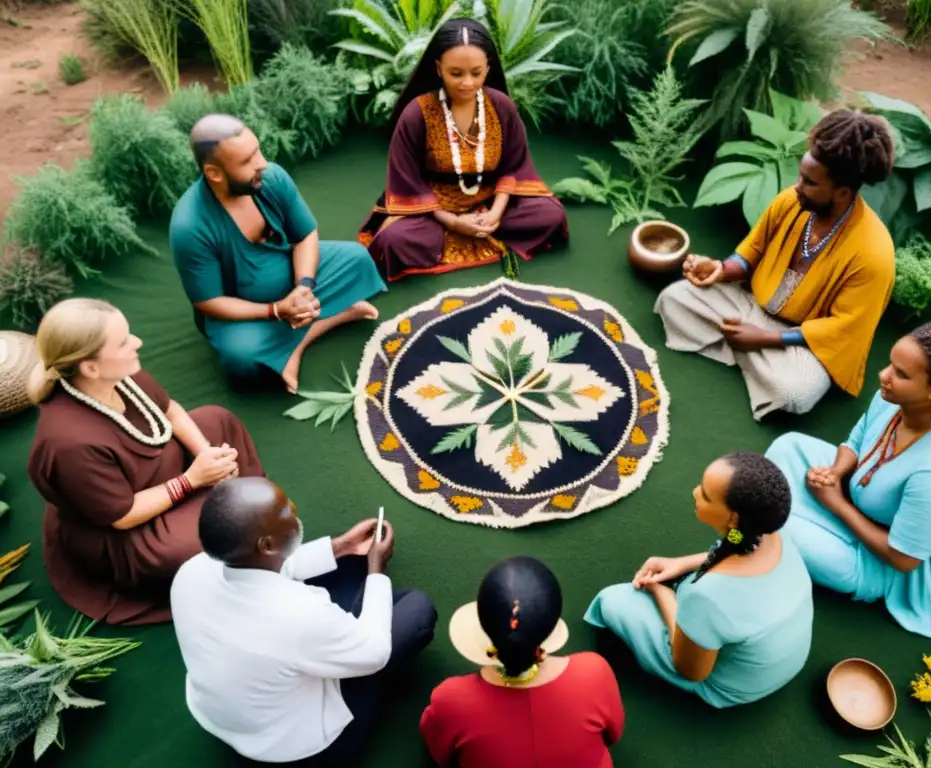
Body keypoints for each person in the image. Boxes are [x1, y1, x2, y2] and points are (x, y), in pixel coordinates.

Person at [25, 298, 263, 626]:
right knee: (191, 546)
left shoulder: (116, 373)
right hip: (128, 528)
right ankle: (233, 522)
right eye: (124, 342)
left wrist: (206, 453)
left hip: (160, 469)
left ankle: (236, 507)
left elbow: (170, 411)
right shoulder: (67, 444)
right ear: (90, 367)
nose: (137, 342)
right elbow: (121, 517)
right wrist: (193, 479)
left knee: (216, 420)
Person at [169, 477, 437, 765]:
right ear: (267, 544)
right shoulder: (300, 614)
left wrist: (341, 546)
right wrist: (376, 570)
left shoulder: (191, 571)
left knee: (345, 565)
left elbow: (264, 567)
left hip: (223, 717)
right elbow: (374, 653)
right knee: (416, 609)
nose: (294, 510)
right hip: (299, 750)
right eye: (286, 511)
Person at [766, 322, 931, 640]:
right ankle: (785, 513)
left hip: (876, 564)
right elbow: (857, 439)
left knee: (777, 529)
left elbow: (903, 559)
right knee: (789, 445)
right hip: (856, 495)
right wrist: (835, 473)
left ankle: (773, 523)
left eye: (901, 373)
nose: (884, 374)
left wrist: (836, 504)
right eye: (891, 364)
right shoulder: (892, 400)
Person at [654, 109, 897, 421]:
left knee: (794, 394)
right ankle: (750, 356)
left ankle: (742, 348)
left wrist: (766, 338)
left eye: (809, 182)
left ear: (842, 192)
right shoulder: (790, 201)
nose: (797, 186)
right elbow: (750, 252)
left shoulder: (874, 253)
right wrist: (721, 270)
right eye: (800, 176)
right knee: (673, 299)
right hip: (753, 307)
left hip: (805, 343)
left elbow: (845, 329)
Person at [170, 114, 386, 393]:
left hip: (291, 276)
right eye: (247, 161)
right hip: (247, 310)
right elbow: (209, 301)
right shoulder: (190, 226)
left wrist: (304, 287)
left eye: (257, 150)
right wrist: (276, 311)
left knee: (357, 258)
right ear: (214, 173)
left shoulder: (270, 177)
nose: (261, 163)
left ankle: (304, 331)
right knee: (242, 360)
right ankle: (330, 317)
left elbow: (306, 236)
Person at [584, 453, 813, 708]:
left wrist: (660, 593)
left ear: (733, 519)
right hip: (783, 659)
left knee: (613, 600)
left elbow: (691, 670)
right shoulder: (771, 531)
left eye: (705, 494)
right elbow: (736, 545)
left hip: (735, 685)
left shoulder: (707, 595)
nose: (695, 492)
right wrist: (680, 563)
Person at [358, 18, 568, 282]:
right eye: (456, 73)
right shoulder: (416, 113)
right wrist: (452, 222)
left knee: (551, 216)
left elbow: (513, 167)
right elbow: (409, 182)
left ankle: (486, 226)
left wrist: (495, 213)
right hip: (432, 208)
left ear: (488, 68)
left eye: (476, 73)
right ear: (438, 68)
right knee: (392, 241)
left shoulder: (502, 106)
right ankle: (455, 232)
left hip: (490, 199)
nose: (467, 83)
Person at [420, 556, 624, 767]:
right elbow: (613, 735)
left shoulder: (451, 700)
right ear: (552, 625)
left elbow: (440, 754)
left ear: (482, 622)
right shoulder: (593, 672)